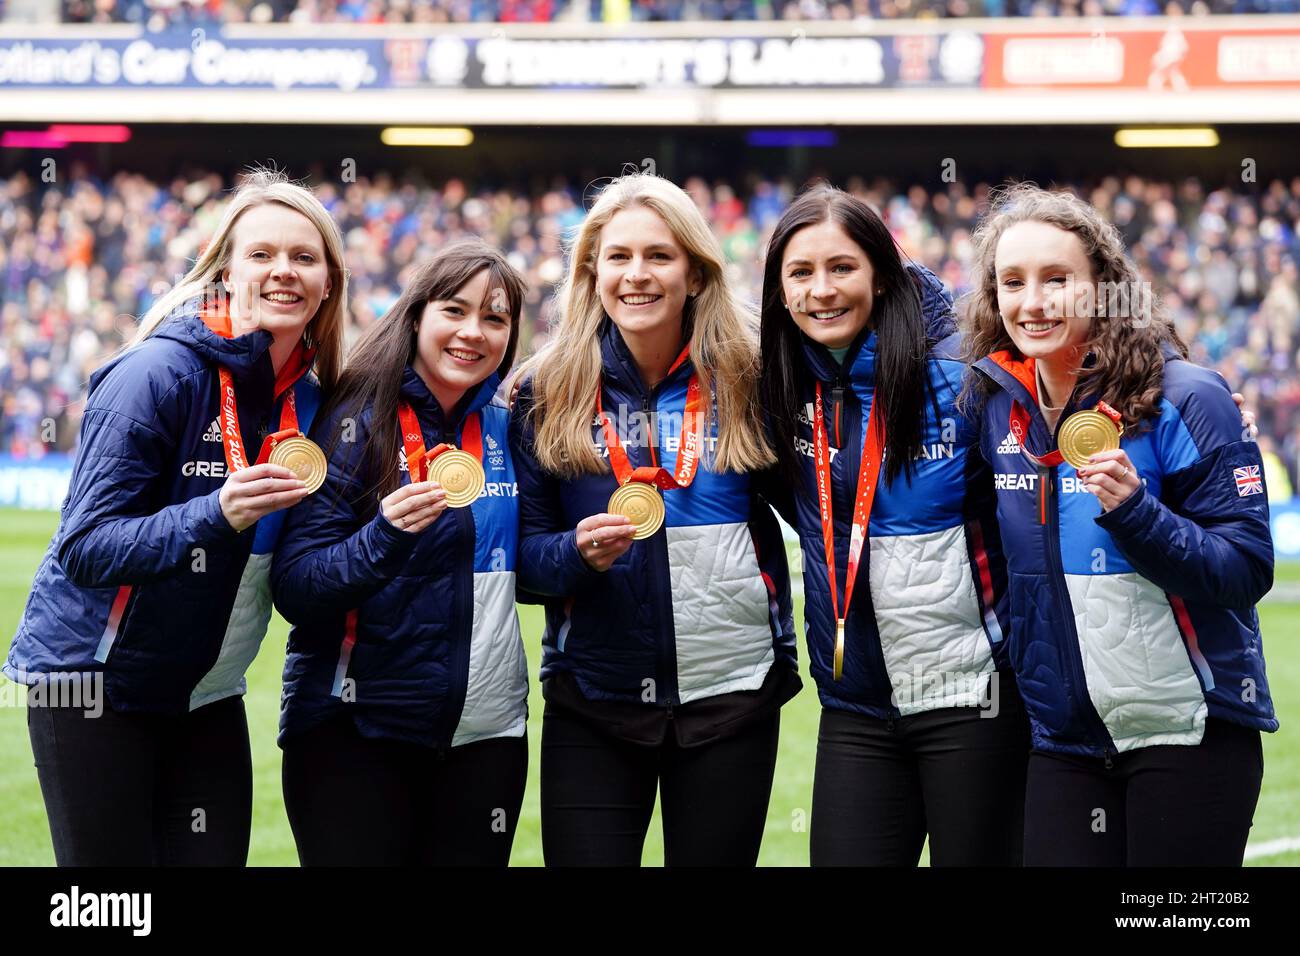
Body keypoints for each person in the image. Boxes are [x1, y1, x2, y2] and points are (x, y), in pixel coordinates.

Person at [5, 168, 346, 866]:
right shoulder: (157, 374)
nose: (284, 271)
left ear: (329, 282)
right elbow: (86, 547)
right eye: (262, 255)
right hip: (95, 684)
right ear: (224, 269)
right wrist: (213, 513)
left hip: (208, 691)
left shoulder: (314, 403)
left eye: (304, 257)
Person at [961, 183, 1278, 866]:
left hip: (1188, 733)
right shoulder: (993, 405)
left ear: (1104, 287)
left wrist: (1137, 513)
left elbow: (1247, 569)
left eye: (1057, 279)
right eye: (1012, 281)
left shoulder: (1188, 396)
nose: (1033, 302)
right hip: (1066, 743)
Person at [509, 172, 801, 867]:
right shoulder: (543, 391)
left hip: (732, 698)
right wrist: (575, 555)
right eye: (618, 257)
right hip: (594, 702)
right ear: (591, 272)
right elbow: (523, 564)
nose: (637, 275)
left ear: (695, 273)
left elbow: (819, 507)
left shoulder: (752, 376)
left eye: (659, 256)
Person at [757, 183, 1028, 866]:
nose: (822, 290)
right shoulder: (778, 388)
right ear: (780, 291)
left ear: (880, 273)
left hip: (975, 700)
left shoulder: (969, 375)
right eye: (801, 272)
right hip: (856, 706)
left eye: (841, 267)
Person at [272, 241, 530, 866]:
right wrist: (382, 537)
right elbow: (297, 588)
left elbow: (534, 564)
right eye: (454, 310)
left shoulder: (512, 425)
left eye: (495, 319)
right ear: (416, 316)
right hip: (353, 732)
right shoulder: (351, 421)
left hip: (485, 737)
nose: (474, 332)